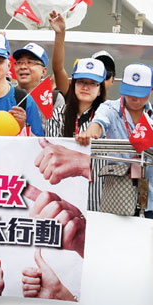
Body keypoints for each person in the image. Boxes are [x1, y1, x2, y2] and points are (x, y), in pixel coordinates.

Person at [76, 63, 153, 220]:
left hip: (150, 200)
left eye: (140, 93)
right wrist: (88, 134)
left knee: (149, 243)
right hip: (116, 198)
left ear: (151, 90)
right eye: (130, 92)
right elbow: (99, 123)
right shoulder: (110, 108)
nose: (135, 98)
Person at [45, 57, 107, 210]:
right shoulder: (59, 114)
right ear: (73, 84)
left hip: (98, 195)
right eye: (81, 82)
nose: (85, 87)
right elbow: (53, 152)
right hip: (64, 193)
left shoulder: (107, 116)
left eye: (92, 83)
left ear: (100, 90)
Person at [13, 10, 70, 130]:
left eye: (30, 62)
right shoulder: (6, 92)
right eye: (20, 62)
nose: (23, 66)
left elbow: (58, 132)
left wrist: (27, 126)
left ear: (43, 71)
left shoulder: (53, 98)